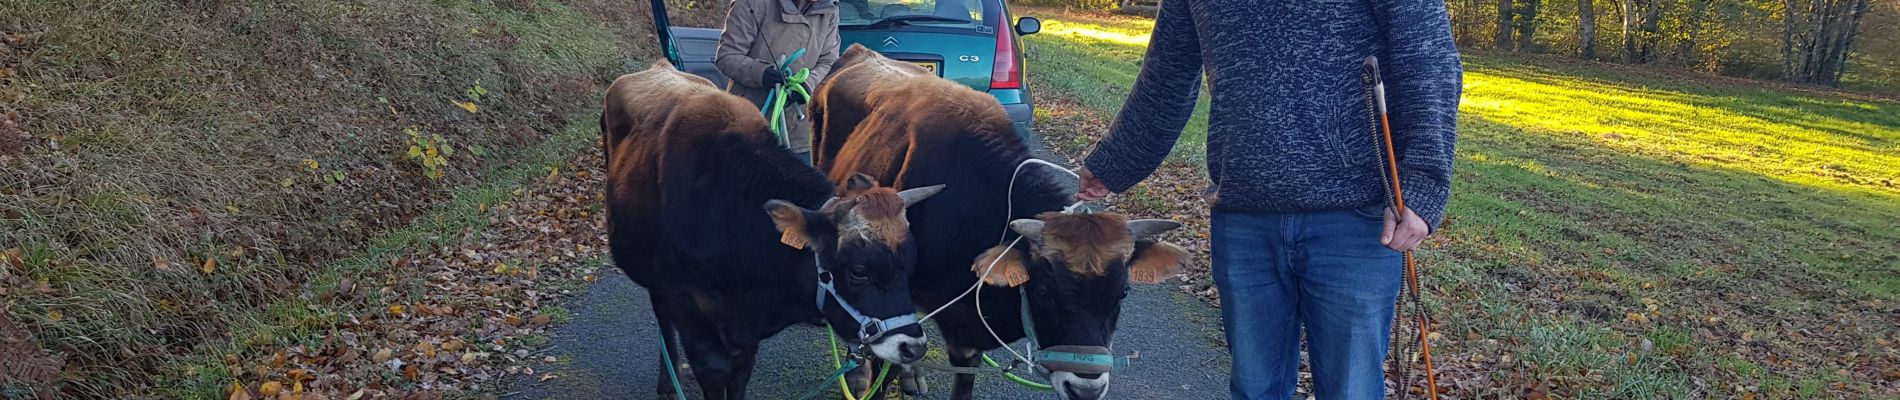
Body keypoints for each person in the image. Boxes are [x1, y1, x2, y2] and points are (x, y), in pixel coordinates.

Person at [1073, 0, 1462, 399]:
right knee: (1255, 388)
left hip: (1356, 219)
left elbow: (1429, 62)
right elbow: (1167, 75)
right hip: (1244, 220)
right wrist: (1114, 163)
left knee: (1352, 390)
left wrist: (1424, 185)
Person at [716, 0, 841, 163]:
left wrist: (808, 84)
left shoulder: (830, 9)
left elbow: (829, 61)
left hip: (802, 135)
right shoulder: (751, 3)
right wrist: (761, 73)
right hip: (748, 130)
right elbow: (727, 55)